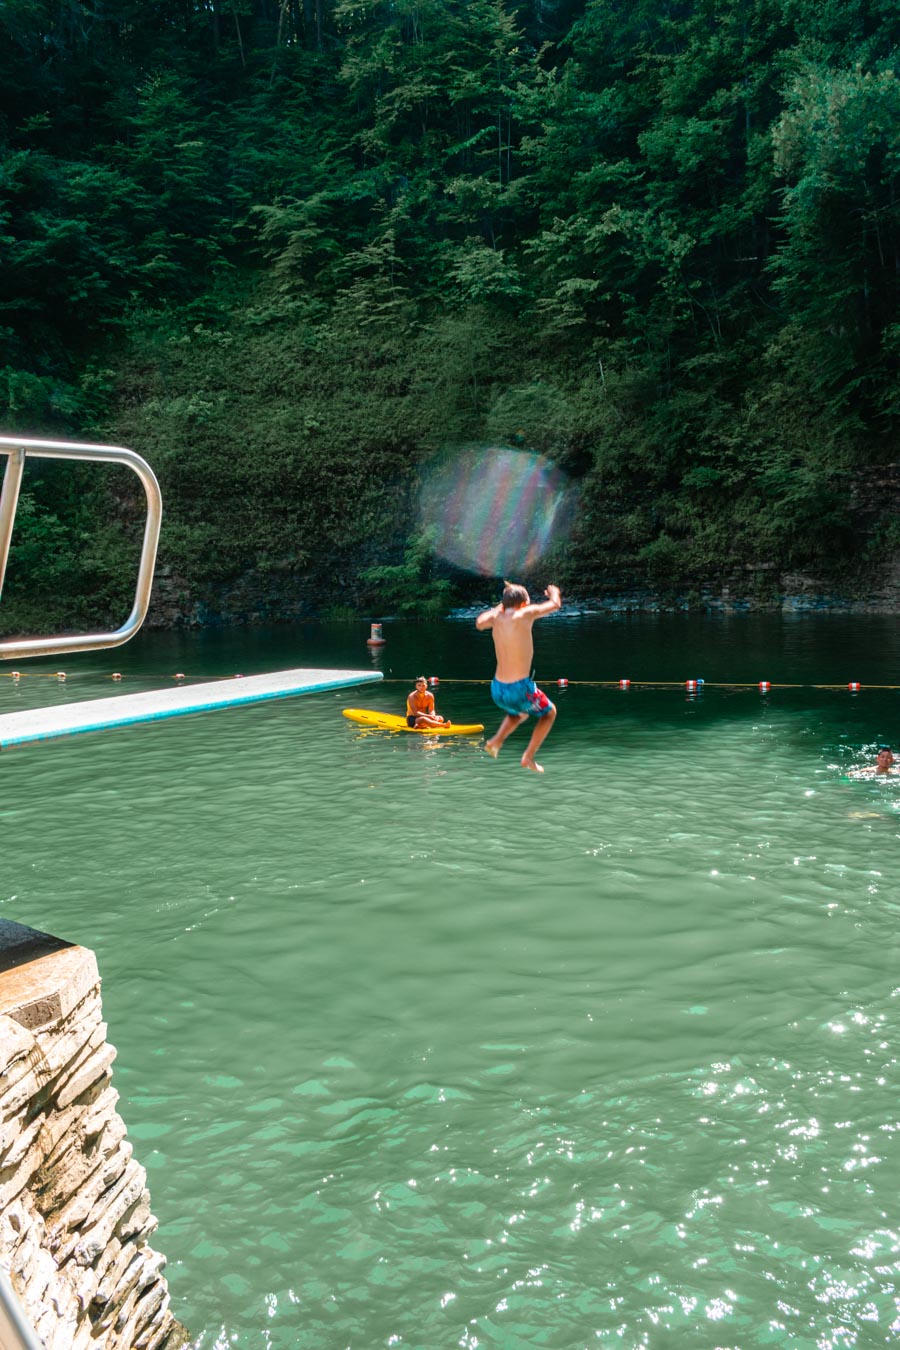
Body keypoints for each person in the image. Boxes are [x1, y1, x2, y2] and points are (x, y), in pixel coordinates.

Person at [476, 580, 561, 772]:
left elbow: (479, 623)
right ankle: (528, 757)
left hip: (497, 688)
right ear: (523, 604)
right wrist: (554, 592)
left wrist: (500, 607)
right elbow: (555, 605)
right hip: (520, 688)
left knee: (518, 714)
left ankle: (495, 742)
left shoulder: (496, 617)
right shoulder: (524, 614)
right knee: (549, 713)